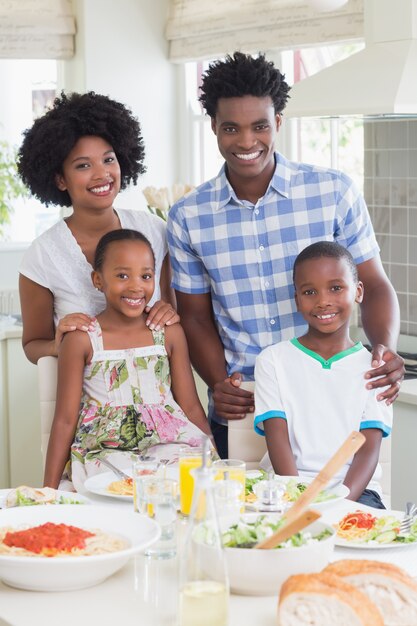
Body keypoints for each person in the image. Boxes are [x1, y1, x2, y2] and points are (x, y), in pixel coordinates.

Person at [167, 51, 404, 458]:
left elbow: (375, 284)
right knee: (241, 519)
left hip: (333, 395)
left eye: (259, 125)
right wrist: (218, 381)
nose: (246, 141)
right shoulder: (188, 216)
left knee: (344, 510)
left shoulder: (333, 192)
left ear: (277, 122)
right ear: (213, 128)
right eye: (231, 128)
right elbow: (194, 316)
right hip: (246, 402)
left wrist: (383, 348)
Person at [43, 229, 212, 492]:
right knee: (112, 484)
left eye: (145, 276)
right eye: (122, 275)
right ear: (98, 280)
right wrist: (48, 490)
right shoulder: (81, 339)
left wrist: (217, 460)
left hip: (168, 445)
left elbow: (190, 406)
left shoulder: (169, 332)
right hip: (106, 450)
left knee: (188, 479)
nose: (136, 286)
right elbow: (65, 419)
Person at [18, 91, 178, 365]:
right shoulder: (42, 256)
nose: (101, 174)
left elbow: (173, 312)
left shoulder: (154, 230)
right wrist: (60, 344)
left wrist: (169, 313)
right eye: (83, 165)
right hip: (84, 400)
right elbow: (32, 345)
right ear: (60, 180)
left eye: (108, 159)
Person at [254, 241, 392, 508]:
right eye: (309, 292)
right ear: (297, 300)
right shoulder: (272, 360)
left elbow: (367, 451)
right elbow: (278, 442)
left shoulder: (377, 367)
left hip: (355, 492)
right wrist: (300, 502)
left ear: (358, 291)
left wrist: (336, 506)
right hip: (287, 488)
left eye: (336, 288)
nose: (323, 301)